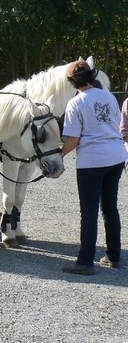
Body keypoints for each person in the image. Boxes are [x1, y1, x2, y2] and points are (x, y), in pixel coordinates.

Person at [60, 58, 126, 275]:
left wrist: (59, 156)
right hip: (116, 156)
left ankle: (85, 261)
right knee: (110, 208)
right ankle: (114, 257)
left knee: (88, 212)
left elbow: (72, 140)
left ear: (72, 82)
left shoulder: (76, 103)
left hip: (92, 161)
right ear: (92, 76)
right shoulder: (107, 95)